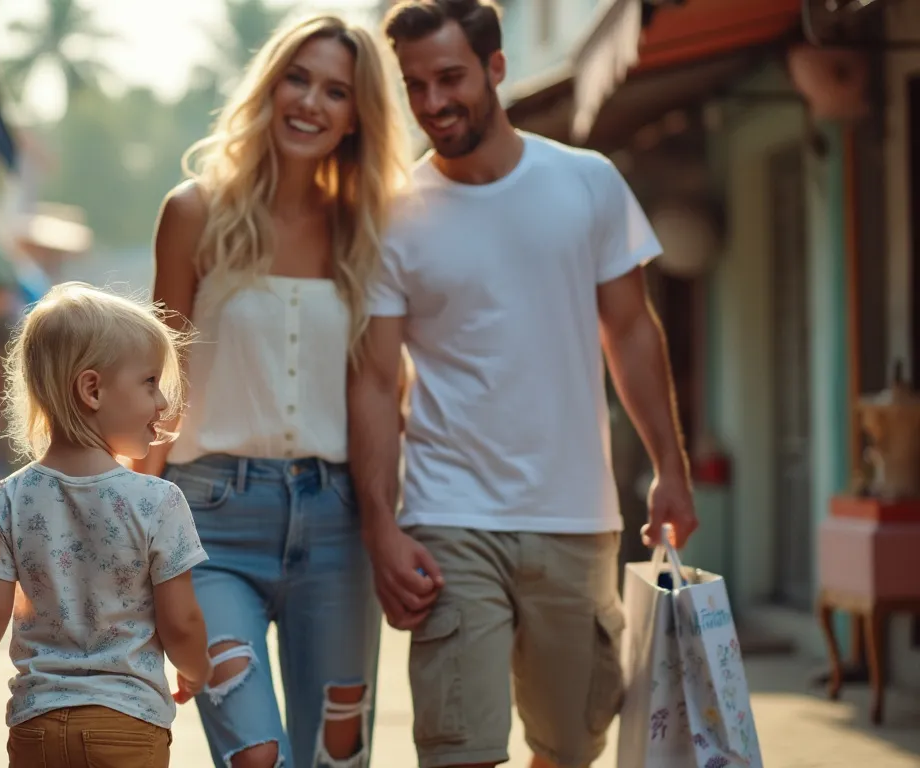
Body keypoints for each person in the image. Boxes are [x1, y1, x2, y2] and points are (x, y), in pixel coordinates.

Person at [347, 2, 700, 768]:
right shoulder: (393, 216)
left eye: (450, 78)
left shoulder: (587, 183)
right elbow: (376, 381)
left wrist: (670, 468)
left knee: (568, 750)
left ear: (495, 68)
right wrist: (381, 524)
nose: (434, 103)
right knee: (458, 749)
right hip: (449, 516)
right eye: (416, 86)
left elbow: (632, 333)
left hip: (575, 515)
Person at [130, 13, 410, 768]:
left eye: (335, 91)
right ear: (270, 83)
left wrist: (386, 521)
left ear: (358, 116)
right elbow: (158, 384)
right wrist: (131, 533)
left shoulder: (368, 231)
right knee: (256, 756)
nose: (311, 103)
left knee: (335, 759)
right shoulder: (195, 212)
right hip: (212, 523)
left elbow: (381, 389)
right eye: (298, 78)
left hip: (337, 524)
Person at [0, 282, 212, 768]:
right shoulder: (158, 501)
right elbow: (181, 621)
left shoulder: (12, 495)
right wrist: (196, 668)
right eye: (150, 382)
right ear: (92, 389)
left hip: (36, 728)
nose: (161, 403)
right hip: (128, 727)